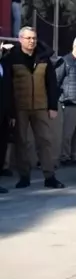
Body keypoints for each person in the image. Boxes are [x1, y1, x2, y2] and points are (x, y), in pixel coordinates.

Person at [5, 27, 64, 189]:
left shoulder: (43, 58)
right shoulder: (11, 58)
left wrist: (52, 106)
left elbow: (52, 83)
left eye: (34, 38)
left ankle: (50, 176)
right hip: (20, 108)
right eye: (28, 38)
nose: (31, 41)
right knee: (22, 142)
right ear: (20, 39)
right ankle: (24, 176)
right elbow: (7, 87)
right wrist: (10, 111)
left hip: (41, 106)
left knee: (45, 141)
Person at [56, 36, 76, 166]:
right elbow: (57, 80)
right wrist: (61, 98)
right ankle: (65, 156)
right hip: (69, 101)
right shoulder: (65, 61)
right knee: (68, 132)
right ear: (74, 47)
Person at [0, 44, 14, 193]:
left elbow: (8, 91)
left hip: (4, 113)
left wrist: (11, 114)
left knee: (2, 146)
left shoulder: (4, 64)